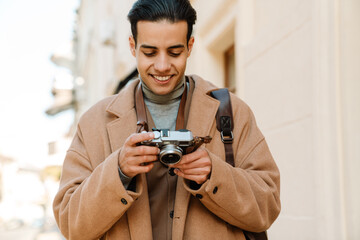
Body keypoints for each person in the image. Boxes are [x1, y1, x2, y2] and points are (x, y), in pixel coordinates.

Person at [53, 0, 281, 239]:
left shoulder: (232, 112)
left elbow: (268, 208)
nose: (162, 66)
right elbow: (70, 224)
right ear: (133, 46)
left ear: (190, 46)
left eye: (175, 52)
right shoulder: (94, 123)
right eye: (149, 52)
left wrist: (214, 174)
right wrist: (118, 171)